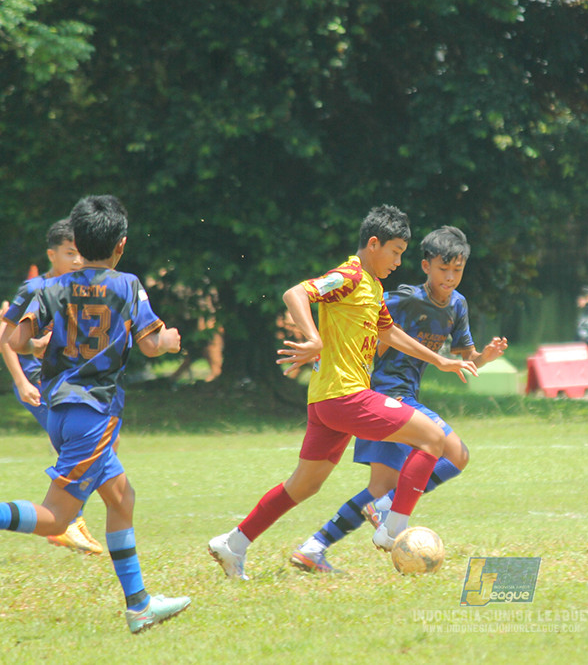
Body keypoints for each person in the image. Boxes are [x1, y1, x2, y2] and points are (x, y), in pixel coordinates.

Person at [207, 205, 478, 580]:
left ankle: (233, 544)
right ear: (373, 244)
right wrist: (314, 338)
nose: (399, 261)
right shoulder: (349, 274)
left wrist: (440, 360)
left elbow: (389, 333)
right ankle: (393, 528)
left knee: (304, 485)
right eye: (396, 251)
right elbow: (295, 294)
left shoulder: (372, 285)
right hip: (345, 396)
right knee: (432, 439)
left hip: (327, 400)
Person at [0, 195, 191, 633]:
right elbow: (149, 343)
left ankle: (140, 605)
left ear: (78, 243)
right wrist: (171, 340)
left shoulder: (53, 287)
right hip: (94, 414)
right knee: (58, 518)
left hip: (61, 411)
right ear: (120, 246)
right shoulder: (127, 285)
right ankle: (139, 606)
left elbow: (15, 341)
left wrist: (38, 345)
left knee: (122, 498)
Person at [289, 226, 507, 573]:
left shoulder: (458, 306)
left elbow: (463, 362)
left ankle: (314, 547)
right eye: (442, 269)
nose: (449, 278)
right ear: (426, 267)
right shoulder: (402, 298)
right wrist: (318, 346)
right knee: (456, 454)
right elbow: (356, 317)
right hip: (384, 395)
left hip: (403, 397)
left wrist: (485, 359)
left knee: (379, 488)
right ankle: (388, 511)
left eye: (457, 271)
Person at [0, 219, 105, 554]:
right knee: (82, 448)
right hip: (38, 384)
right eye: (69, 253)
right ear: (52, 254)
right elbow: (5, 338)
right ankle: (68, 522)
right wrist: (21, 381)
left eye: (81, 253)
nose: (77, 260)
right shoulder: (33, 288)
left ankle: (70, 520)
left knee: (97, 449)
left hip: (66, 384)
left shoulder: (80, 289)